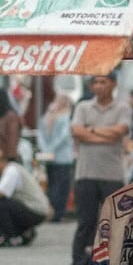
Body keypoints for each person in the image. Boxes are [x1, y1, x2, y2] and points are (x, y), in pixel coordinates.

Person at [70, 74, 131, 265]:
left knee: (114, 222)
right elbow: (77, 131)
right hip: (86, 173)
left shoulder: (123, 107)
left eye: (103, 82)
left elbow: (120, 131)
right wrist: (104, 134)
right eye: (95, 82)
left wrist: (92, 130)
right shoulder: (83, 107)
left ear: (113, 83)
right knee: (85, 222)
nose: (99, 86)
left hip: (112, 174)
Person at [0, 149, 50, 246]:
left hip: (35, 210)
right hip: (36, 209)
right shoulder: (13, 168)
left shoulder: (11, 170)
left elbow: (0, 193)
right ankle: (23, 232)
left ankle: (10, 236)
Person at [39, 91, 75, 222]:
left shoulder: (48, 113)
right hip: (63, 157)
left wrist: (46, 148)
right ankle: (58, 214)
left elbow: (40, 134)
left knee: (52, 185)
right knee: (62, 187)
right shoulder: (66, 115)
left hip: (49, 157)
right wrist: (52, 148)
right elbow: (64, 136)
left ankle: (50, 211)